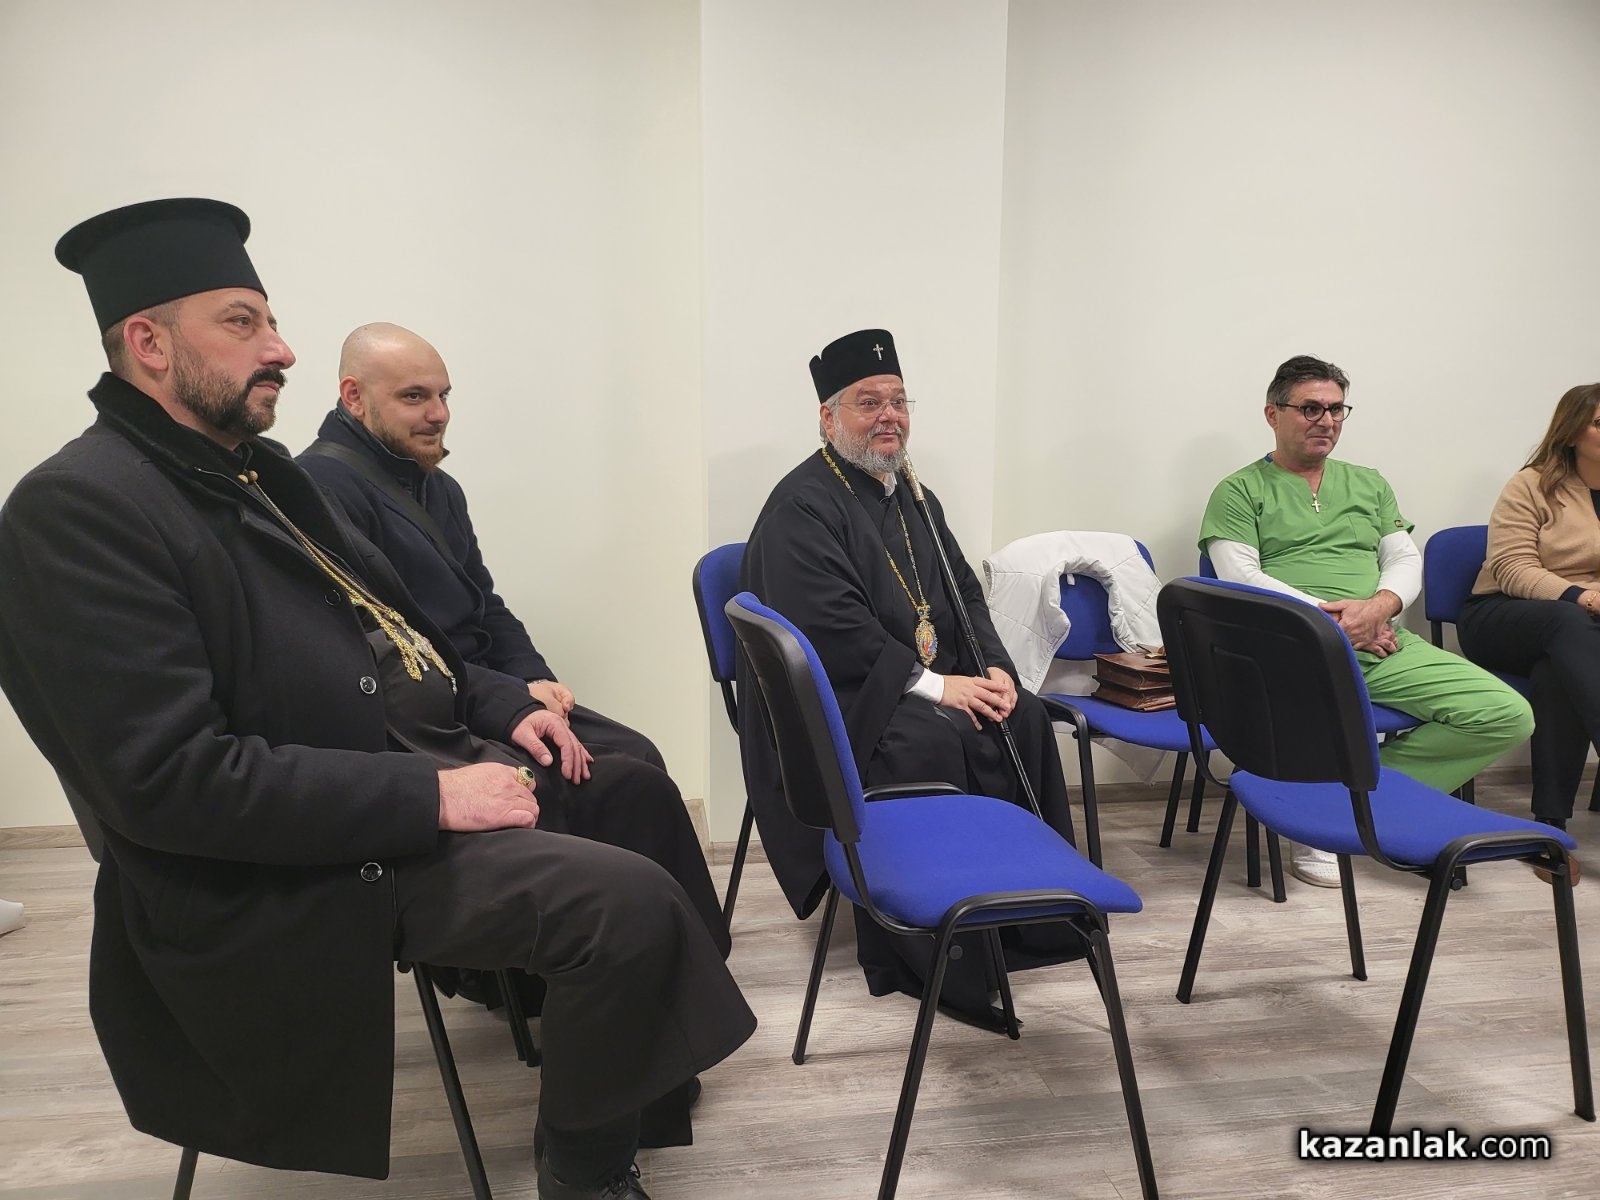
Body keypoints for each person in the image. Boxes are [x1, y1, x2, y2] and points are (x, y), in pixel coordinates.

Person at [0, 199, 754, 1200]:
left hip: (395, 771)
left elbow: (402, 633)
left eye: (271, 322)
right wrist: (434, 796)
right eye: (242, 323)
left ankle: (634, 1077)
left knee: (636, 792)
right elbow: (169, 784)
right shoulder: (78, 507)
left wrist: (500, 705)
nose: (281, 349)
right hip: (290, 864)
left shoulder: (259, 472)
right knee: (625, 904)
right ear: (147, 343)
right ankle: (588, 1177)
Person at [740, 328, 1085, 1029]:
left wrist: (993, 668)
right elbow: (832, 630)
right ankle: (933, 954)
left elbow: (963, 593)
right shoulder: (800, 508)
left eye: (898, 401)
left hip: (909, 681)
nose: (889, 417)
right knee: (929, 737)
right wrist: (937, 686)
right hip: (842, 703)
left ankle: (1027, 920)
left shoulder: (913, 496)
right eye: (869, 403)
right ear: (828, 417)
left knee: (1019, 715)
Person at [1198, 354, 1534, 887]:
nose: (1327, 420)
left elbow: (1403, 557)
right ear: (1273, 414)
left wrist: (1378, 608)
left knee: (1505, 715)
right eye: (1311, 408)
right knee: (1313, 716)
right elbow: (1240, 576)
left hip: (1380, 638)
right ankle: (1322, 820)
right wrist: (1329, 622)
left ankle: (1340, 805)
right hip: (1290, 647)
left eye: (1337, 409)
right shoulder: (1239, 490)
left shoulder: (1368, 483)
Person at [299, 322, 664, 771]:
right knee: (625, 779)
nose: (439, 414)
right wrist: (509, 701)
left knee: (639, 753)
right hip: (425, 717)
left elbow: (485, 603)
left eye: (444, 395)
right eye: (414, 397)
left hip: (489, 689)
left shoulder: (440, 489)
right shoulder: (319, 491)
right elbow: (379, 650)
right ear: (354, 396)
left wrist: (533, 676)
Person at [1458, 382, 1600, 847]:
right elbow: (1512, 568)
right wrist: (1584, 597)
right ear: (1572, 432)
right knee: (1568, 622)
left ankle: (1550, 828)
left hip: (1579, 635)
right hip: (1502, 615)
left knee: (1557, 671)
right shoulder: (1532, 485)